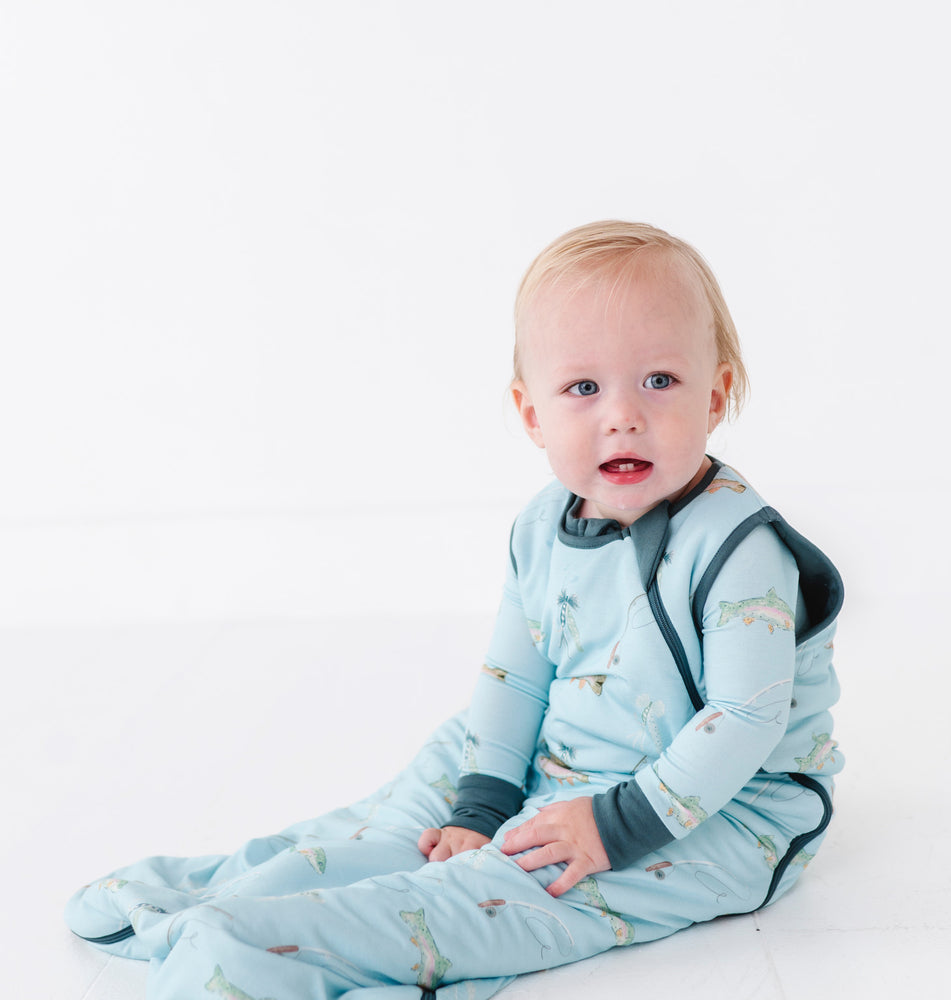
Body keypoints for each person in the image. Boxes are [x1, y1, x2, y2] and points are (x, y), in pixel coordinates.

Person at [66, 221, 844, 1000]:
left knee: (495, 895)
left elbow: (746, 717)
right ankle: (235, 891)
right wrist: (483, 800)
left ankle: (277, 946)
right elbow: (516, 676)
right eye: (583, 388)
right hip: (574, 747)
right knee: (432, 786)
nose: (622, 415)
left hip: (722, 808)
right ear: (531, 413)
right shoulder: (544, 525)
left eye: (660, 382)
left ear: (716, 393)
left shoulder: (740, 549)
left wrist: (610, 827)